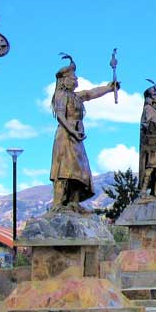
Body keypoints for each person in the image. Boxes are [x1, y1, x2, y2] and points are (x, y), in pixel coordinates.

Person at [50, 55, 120, 211]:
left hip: (77, 137)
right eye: (72, 77)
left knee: (79, 169)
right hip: (66, 136)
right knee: (63, 169)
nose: (75, 79)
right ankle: (58, 203)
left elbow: (90, 93)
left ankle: (74, 202)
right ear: (64, 80)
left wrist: (109, 88)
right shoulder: (61, 95)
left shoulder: (76, 96)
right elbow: (60, 116)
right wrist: (72, 132)